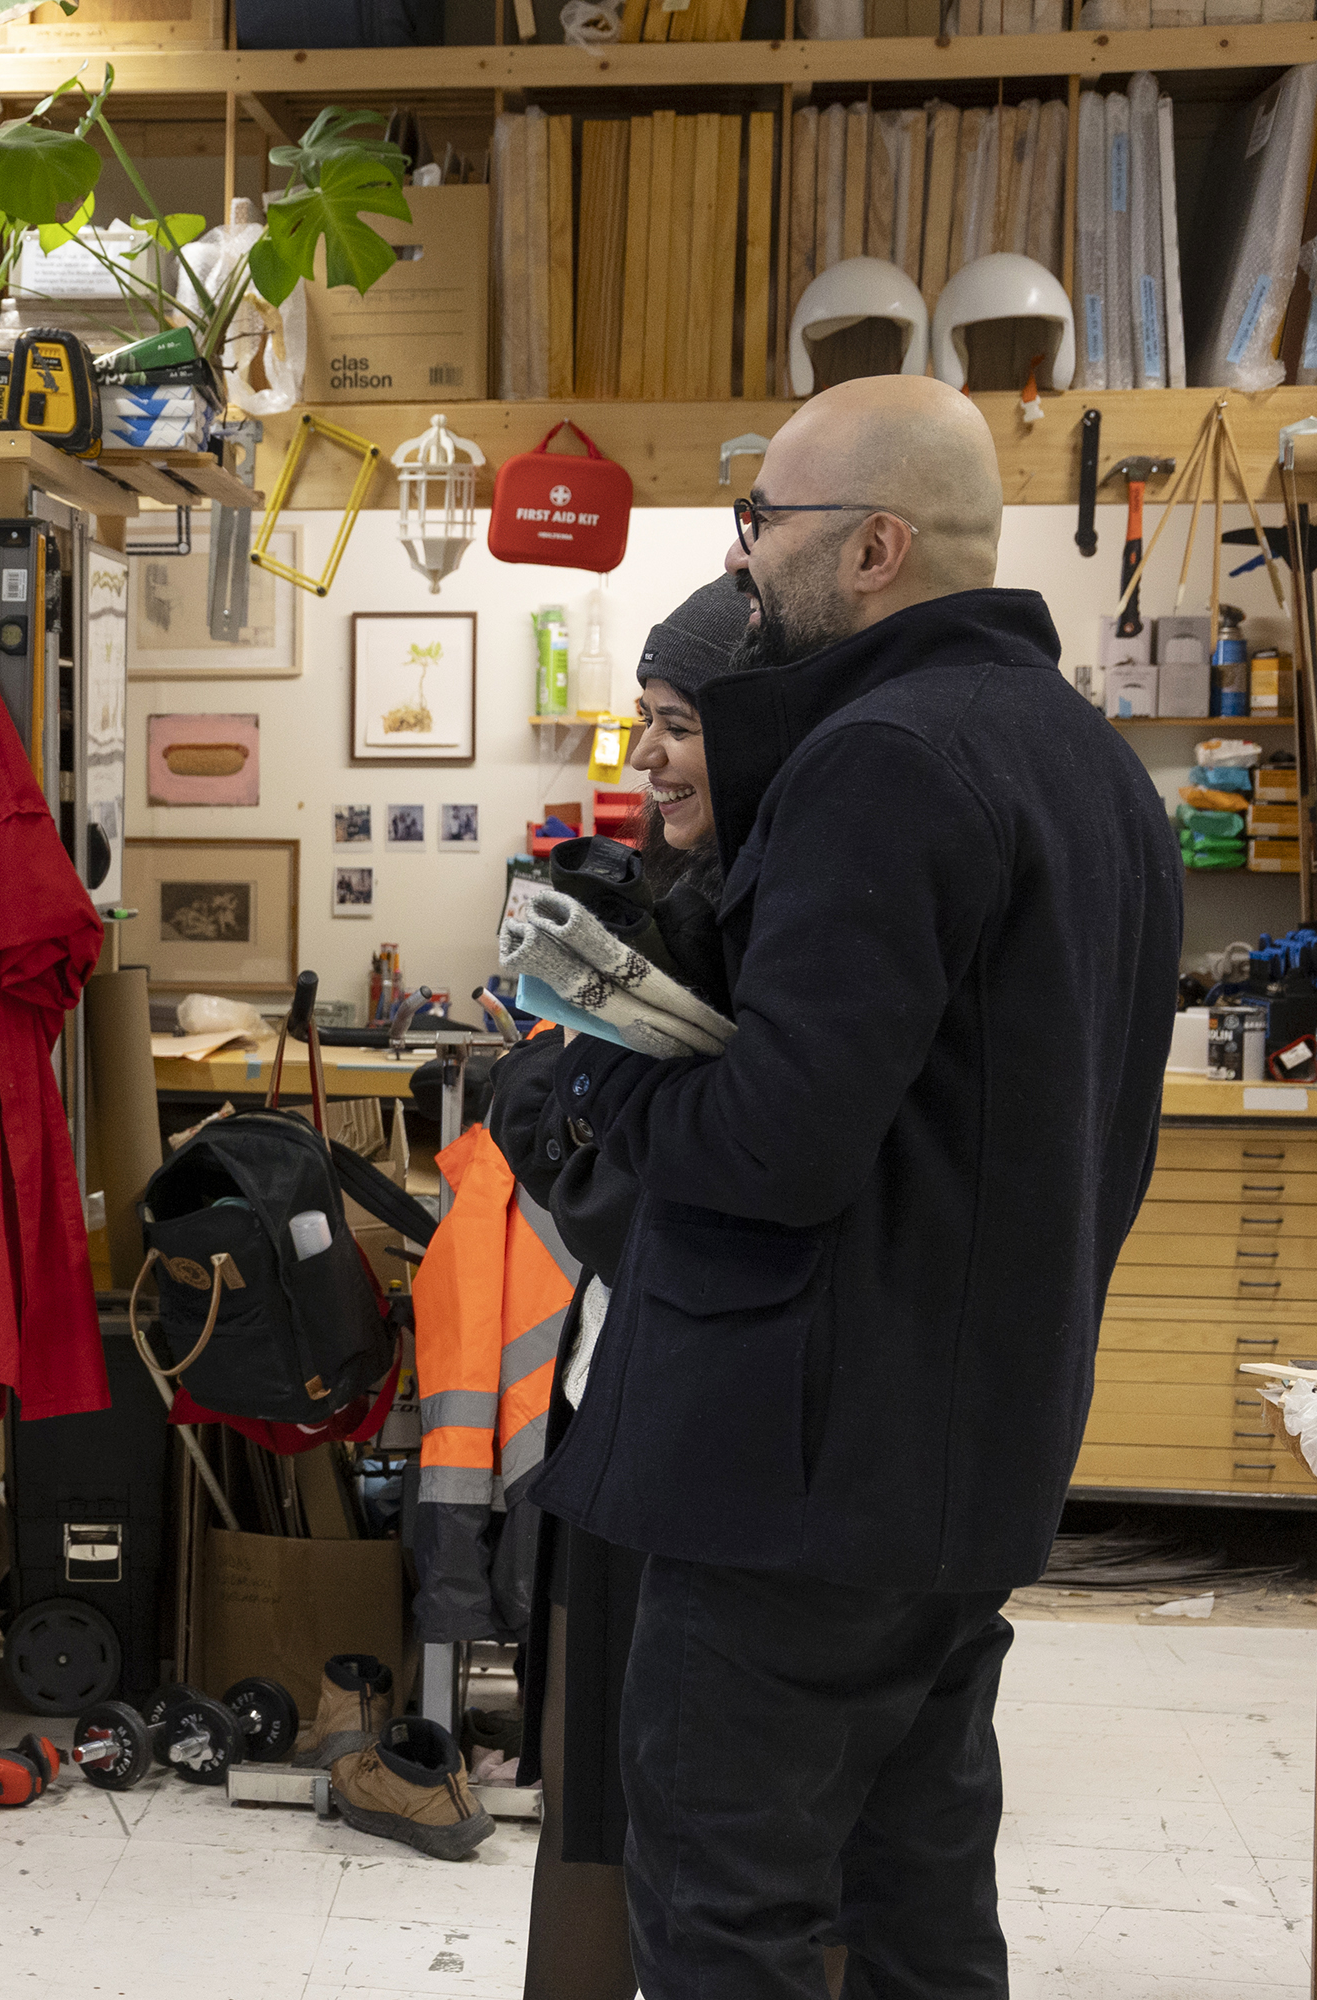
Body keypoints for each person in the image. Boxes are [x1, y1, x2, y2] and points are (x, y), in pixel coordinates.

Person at [526, 374, 1180, 1998]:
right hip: (965, 1467)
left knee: (729, 1910)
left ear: (877, 546)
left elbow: (774, 1143)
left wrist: (599, 1064)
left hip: (791, 1488)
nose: (745, 563)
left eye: (767, 527)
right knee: (916, 1901)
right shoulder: (1092, 768)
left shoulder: (877, 755)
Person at [495, 574, 751, 2000]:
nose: (644, 757)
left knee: (703, 1834)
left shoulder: (772, 914)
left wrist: (542, 1089)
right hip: (621, 1427)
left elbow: (655, 1204)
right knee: (601, 1807)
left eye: (674, 724)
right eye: (639, 719)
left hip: (700, 1446)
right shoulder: (695, 891)